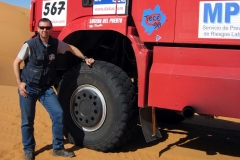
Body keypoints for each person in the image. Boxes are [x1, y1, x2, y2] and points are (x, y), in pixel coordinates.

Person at [13, 18, 95, 160]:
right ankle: (28, 149)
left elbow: (70, 48)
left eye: (47, 27)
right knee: (27, 120)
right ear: (38, 29)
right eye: (42, 27)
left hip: (45, 89)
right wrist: (19, 83)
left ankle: (58, 148)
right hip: (29, 88)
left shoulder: (55, 44)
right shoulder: (30, 45)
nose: (45, 30)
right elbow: (16, 62)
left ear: (51, 29)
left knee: (58, 114)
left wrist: (85, 58)